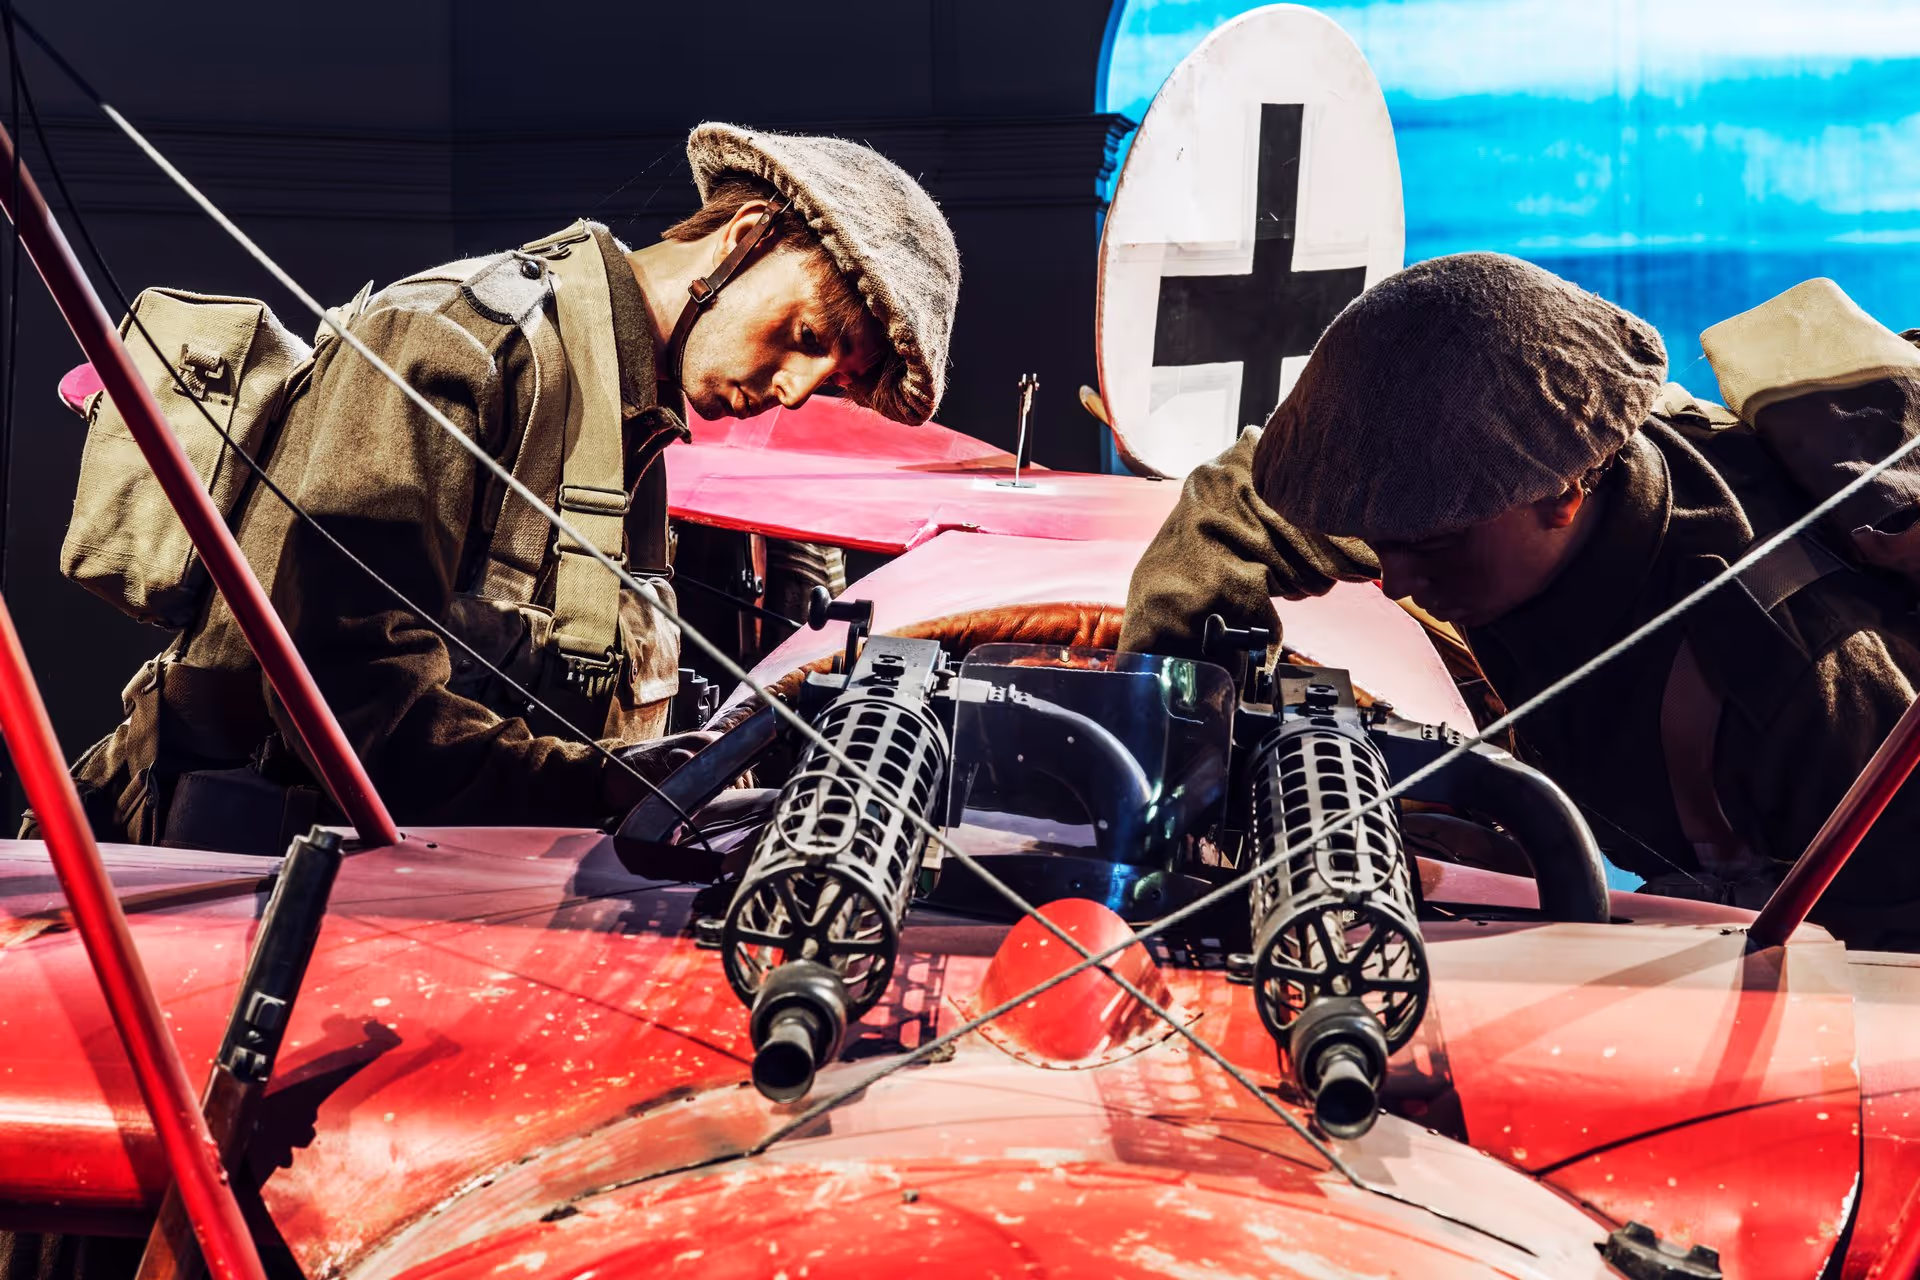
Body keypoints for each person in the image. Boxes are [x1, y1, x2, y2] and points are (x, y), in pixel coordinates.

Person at [61, 122, 961, 851]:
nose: (798, 391)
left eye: (836, 379)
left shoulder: (633, 412)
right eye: (808, 336)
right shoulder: (456, 338)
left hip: (425, 891)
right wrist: (604, 783)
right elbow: (347, 698)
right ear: (747, 237)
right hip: (235, 890)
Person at [1122, 252, 1920, 948]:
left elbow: (1889, 980)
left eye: (1429, 546)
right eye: (1377, 539)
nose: (1392, 579)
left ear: (1564, 493)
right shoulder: (1482, 475)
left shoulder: (1800, 678)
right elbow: (1233, 508)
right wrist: (1179, 743)